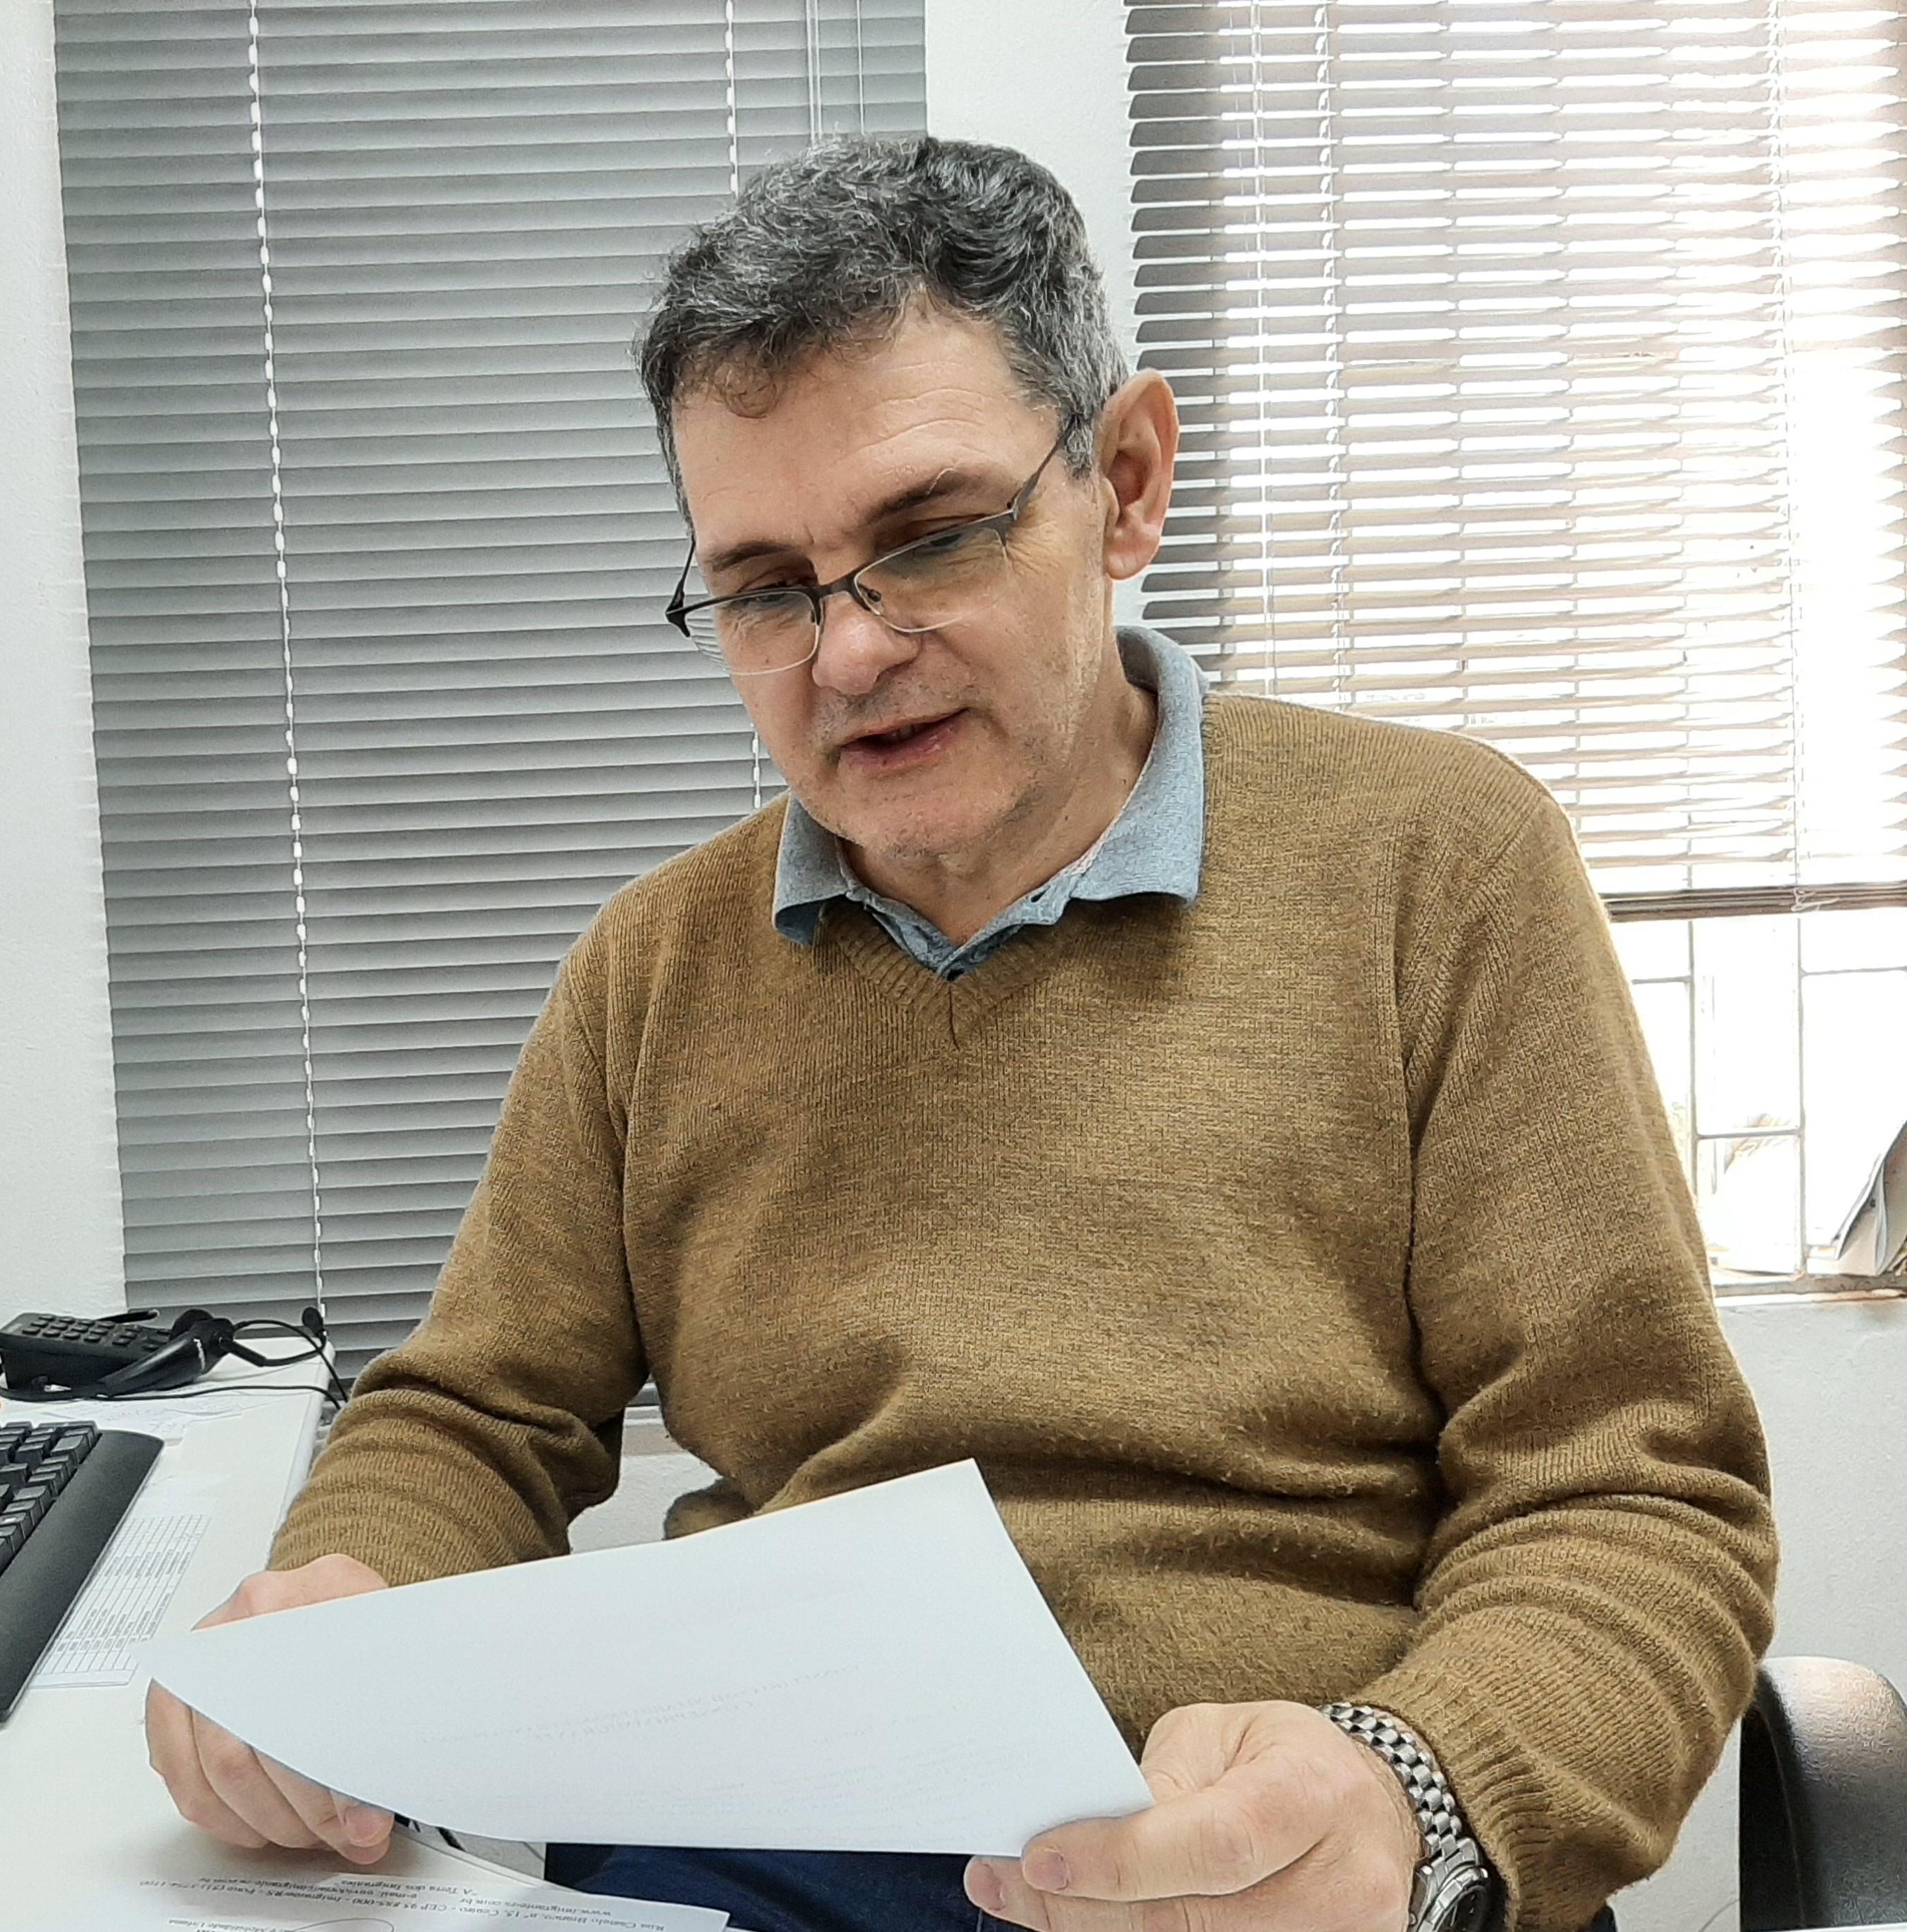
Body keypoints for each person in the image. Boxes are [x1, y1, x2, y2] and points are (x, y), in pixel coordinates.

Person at [144, 136, 1777, 1932]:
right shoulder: (653, 968)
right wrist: (346, 1591)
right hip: (760, 1848)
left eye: (925, 539)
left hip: (1273, 1856)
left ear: (1124, 483)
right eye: (764, 586)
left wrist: (1410, 1790)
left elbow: (1631, 1492)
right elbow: (477, 1412)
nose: (845, 656)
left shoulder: (1438, 868)